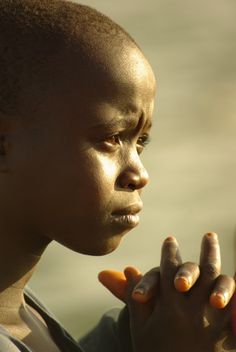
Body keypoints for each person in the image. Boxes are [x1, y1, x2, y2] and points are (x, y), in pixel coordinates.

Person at [0, 0, 235, 351]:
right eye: (111, 139)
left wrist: (148, 330)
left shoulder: (21, 312)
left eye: (140, 142)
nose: (139, 174)